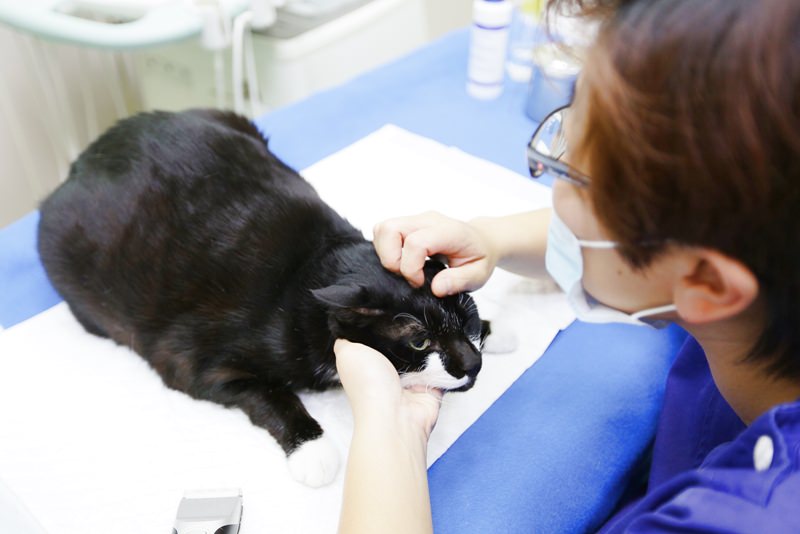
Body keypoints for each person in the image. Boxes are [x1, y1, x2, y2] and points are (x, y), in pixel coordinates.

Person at [334, 0, 800, 531]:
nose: (553, 186)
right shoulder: (760, 274)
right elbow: (644, 252)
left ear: (707, 284)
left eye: (575, 173)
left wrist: (388, 426)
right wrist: (493, 237)